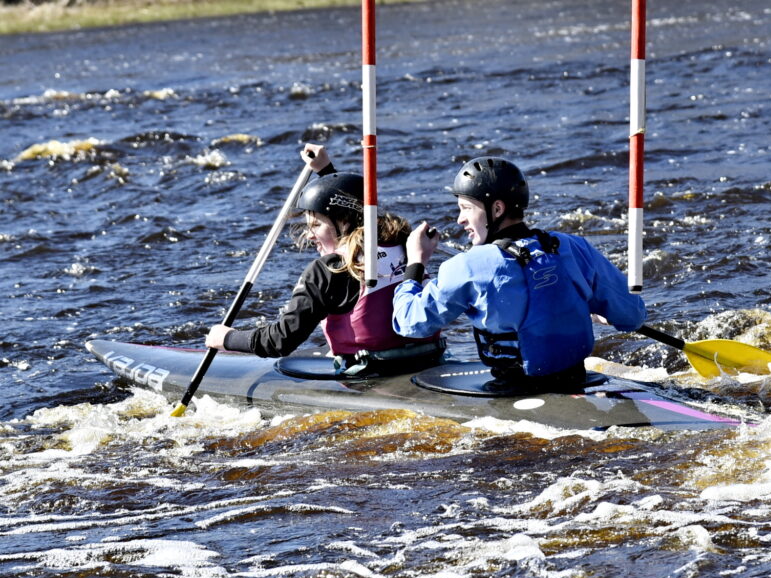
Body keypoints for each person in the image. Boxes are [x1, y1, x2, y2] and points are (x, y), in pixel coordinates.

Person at [392, 156, 646, 392]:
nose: (460, 219)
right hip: (574, 379)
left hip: (513, 388)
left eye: (466, 208)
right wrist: (589, 304)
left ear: (497, 208)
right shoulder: (573, 246)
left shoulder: (466, 266)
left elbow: (410, 323)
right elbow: (632, 316)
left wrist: (416, 263)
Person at [206, 144, 444, 376]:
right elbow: (359, 210)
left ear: (343, 222)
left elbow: (279, 342)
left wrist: (226, 337)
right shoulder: (406, 242)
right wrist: (325, 171)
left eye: (316, 225)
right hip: (428, 359)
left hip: (370, 372)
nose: (310, 235)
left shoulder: (328, 271)